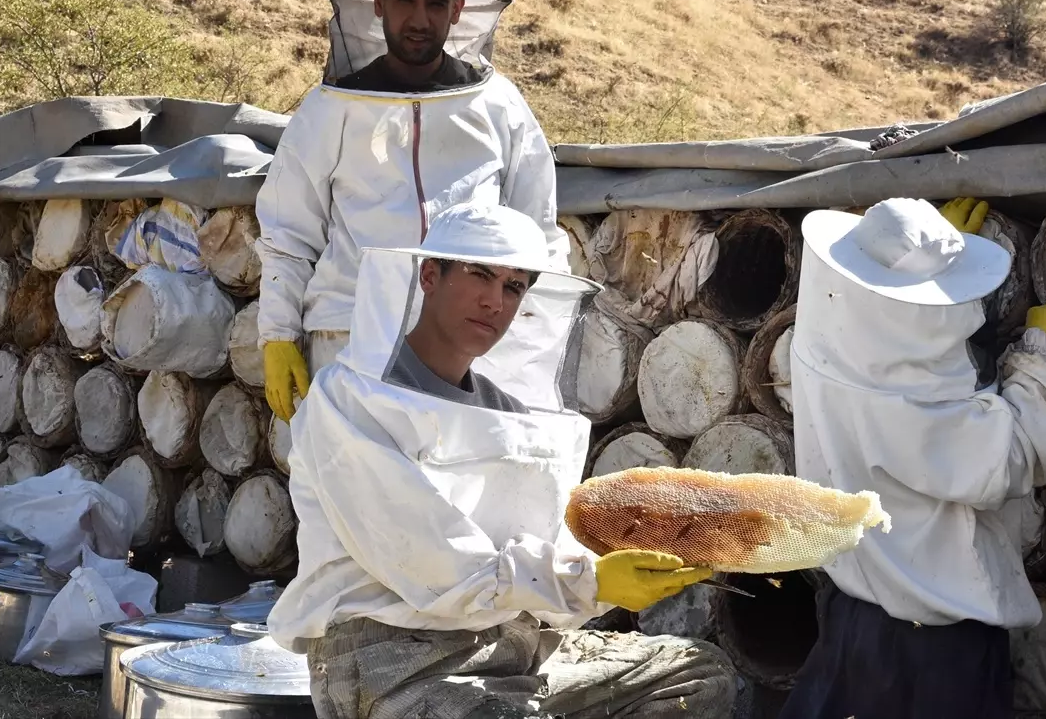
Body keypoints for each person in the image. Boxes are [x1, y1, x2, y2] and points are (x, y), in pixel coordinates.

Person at [267, 202, 738, 719]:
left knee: (700, 675)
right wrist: (590, 581)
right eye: (479, 276)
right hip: (395, 662)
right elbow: (431, 562)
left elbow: (544, 553)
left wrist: (619, 569)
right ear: (429, 275)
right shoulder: (349, 402)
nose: (495, 301)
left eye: (514, 286)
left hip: (516, 653)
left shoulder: (511, 415)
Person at [779, 197, 1046, 719]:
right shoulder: (917, 408)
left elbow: (899, 333)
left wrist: (924, 255)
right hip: (935, 645)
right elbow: (1017, 457)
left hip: (849, 611)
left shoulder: (816, 339)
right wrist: (1040, 354)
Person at [255, 0, 568, 424]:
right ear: (378, 2)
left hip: (465, 354)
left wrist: (537, 350)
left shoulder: (499, 105)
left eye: (436, 3)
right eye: (405, 0)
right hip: (350, 336)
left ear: (458, 11)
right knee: (348, 493)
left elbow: (537, 233)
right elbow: (288, 229)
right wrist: (277, 334)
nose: (420, 19)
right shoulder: (331, 107)